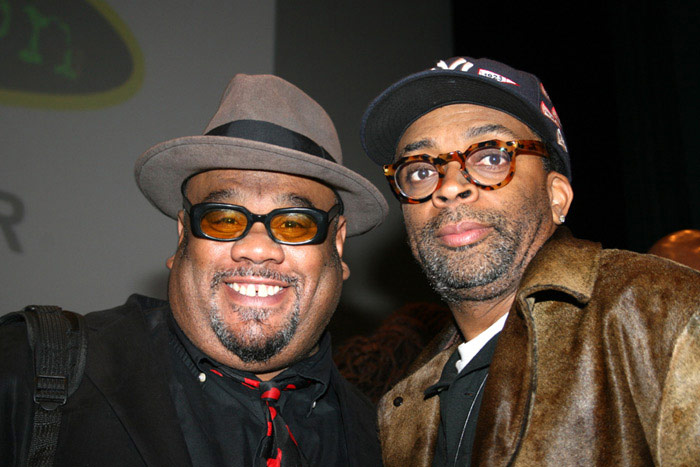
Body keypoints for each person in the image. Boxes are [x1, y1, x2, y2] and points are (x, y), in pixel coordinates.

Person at [1, 73, 387, 466]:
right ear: (183, 234)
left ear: (337, 243)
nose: (256, 248)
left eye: (293, 223)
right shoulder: (27, 370)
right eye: (223, 218)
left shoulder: (385, 441)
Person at [360, 56, 700, 466]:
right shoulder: (404, 400)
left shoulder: (666, 313)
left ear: (557, 197)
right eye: (419, 171)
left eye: (491, 157)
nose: (449, 186)